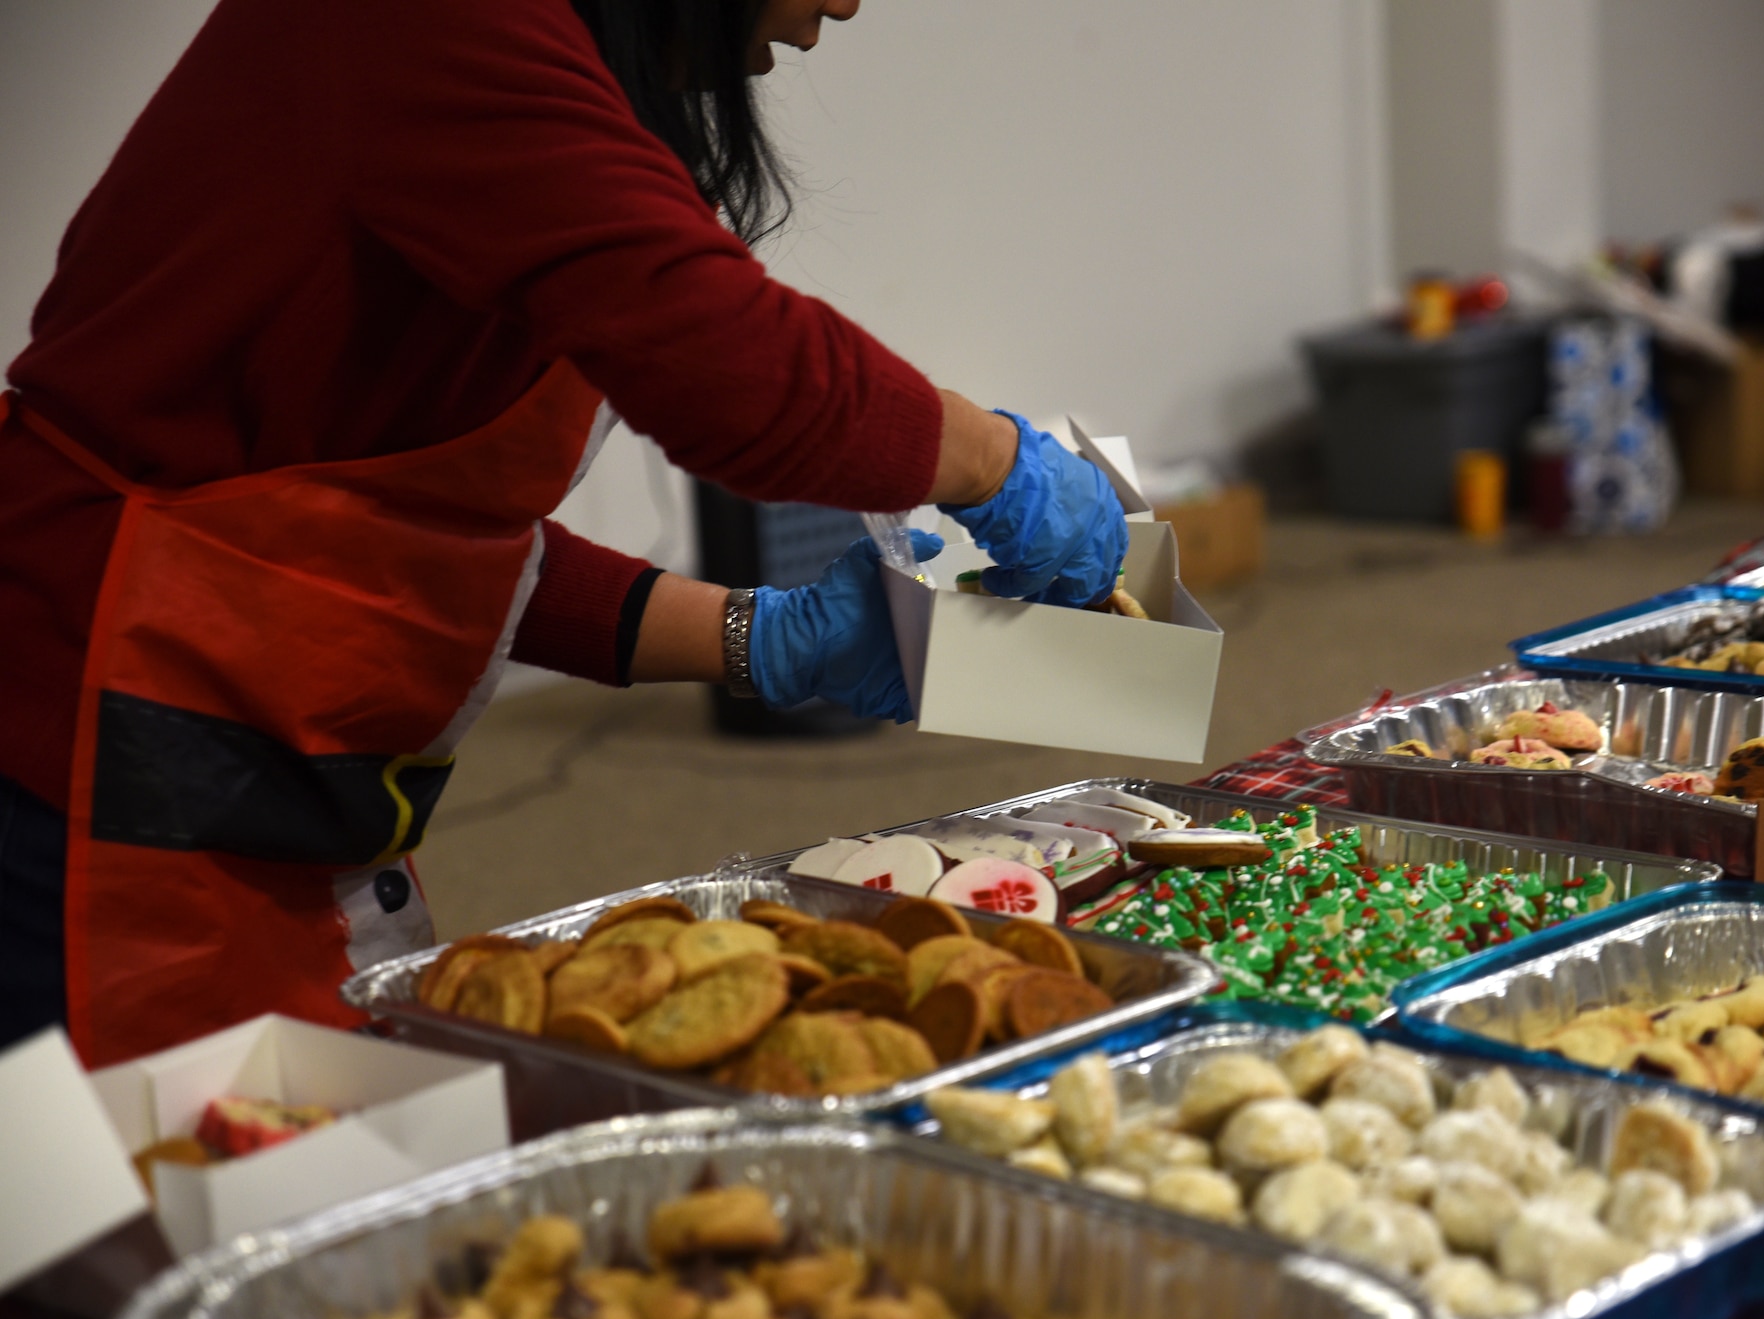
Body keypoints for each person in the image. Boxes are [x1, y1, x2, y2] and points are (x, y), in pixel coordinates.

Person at [0, 0, 1128, 1064]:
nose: (843, 4)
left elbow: (412, 541)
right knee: (155, 1225)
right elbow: (740, 373)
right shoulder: (427, 24)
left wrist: (758, 636)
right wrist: (993, 461)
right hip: (89, 776)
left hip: (269, 787)